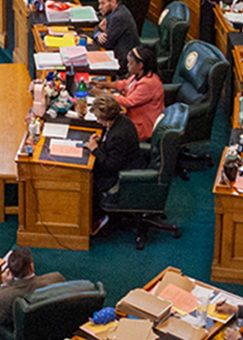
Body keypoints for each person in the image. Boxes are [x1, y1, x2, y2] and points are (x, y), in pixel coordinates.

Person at [86, 94, 146, 223]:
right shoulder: (121, 120)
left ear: (106, 118)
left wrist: (95, 149)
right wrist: (100, 142)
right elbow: (111, 145)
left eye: (98, 118)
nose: (97, 121)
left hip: (120, 174)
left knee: (87, 178)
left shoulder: (119, 135)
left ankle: (95, 218)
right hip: (126, 162)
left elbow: (110, 166)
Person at [0, 246, 66, 330]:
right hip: (51, 326)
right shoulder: (56, 279)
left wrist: (5, 285)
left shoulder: (5, 295)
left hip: (24, 331)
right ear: (31, 267)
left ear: (11, 272)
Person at [97, 45, 165, 140]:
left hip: (142, 127)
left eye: (130, 63)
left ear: (140, 65)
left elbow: (129, 102)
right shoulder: (139, 74)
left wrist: (102, 94)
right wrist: (103, 84)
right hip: (132, 117)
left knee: (106, 121)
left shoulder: (149, 83)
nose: (127, 65)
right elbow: (125, 84)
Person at [95, 0, 139, 71]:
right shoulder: (117, 10)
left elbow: (105, 42)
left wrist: (98, 33)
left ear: (113, 2)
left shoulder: (118, 17)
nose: (99, 7)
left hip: (124, 62)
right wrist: (98, 33)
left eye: (103, 3)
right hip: (119, 54)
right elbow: (100, 26)